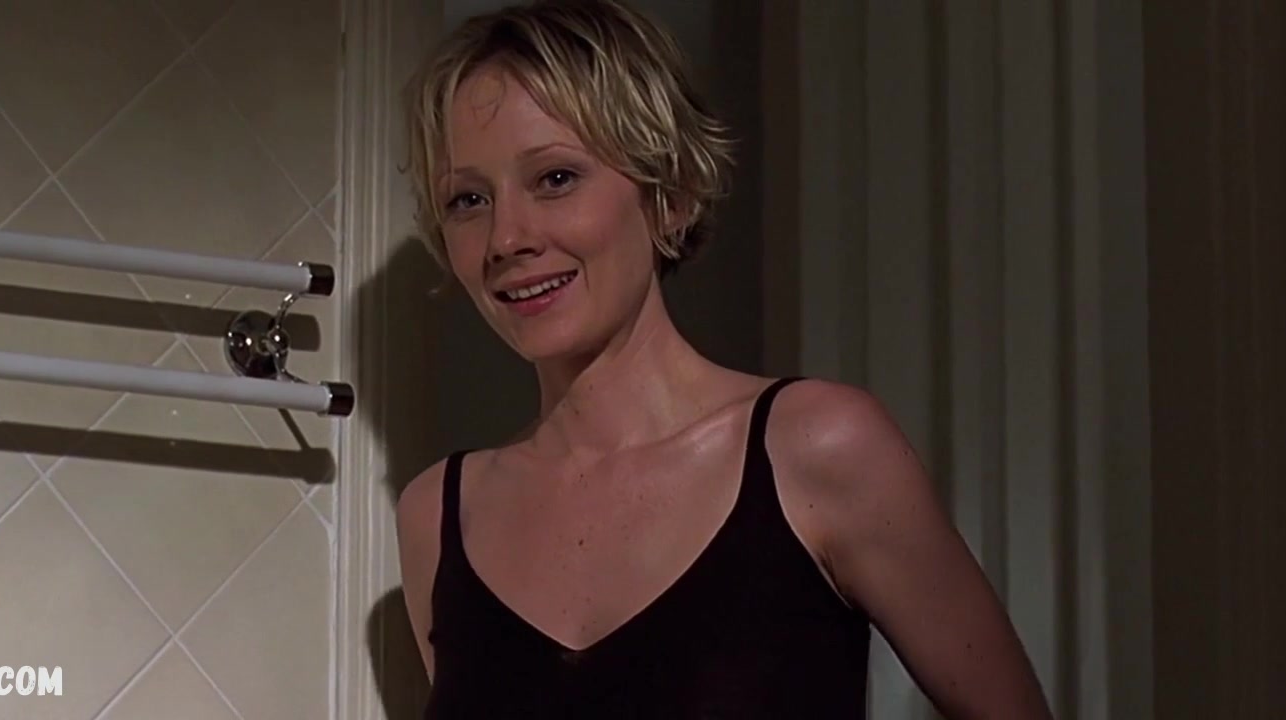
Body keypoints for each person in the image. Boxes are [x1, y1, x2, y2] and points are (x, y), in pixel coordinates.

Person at [393, 1, 1054, 717]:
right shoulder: (439, 516)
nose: (505, 238)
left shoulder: (817, 448)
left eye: (555, 179)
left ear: (670, 196)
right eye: (468, 199)